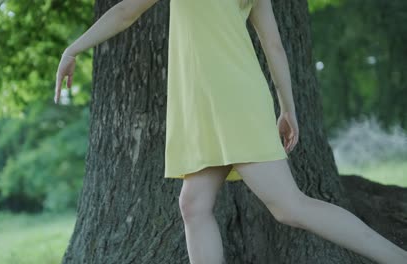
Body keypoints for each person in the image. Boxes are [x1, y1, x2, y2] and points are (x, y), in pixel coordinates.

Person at [53, 0, 407, 263]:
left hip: (230, 101)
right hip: (213, 101)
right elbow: (273, 46)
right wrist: (286, 109)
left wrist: (74, 48)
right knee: (193, 205)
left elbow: (126, 11)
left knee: (290, 206)